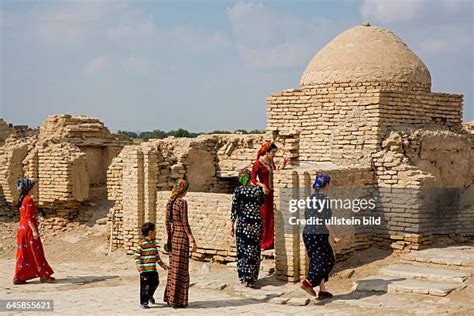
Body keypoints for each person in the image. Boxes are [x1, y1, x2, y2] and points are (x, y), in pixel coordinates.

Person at [300, 173, 341, 300]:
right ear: (326, 185)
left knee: (316, 261)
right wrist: (335, 236)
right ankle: (308, 283)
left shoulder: (311, 198)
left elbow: (307, 216)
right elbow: (326, 220)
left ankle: (323, 291)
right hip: (318, 234)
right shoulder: (325, 200)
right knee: (328, 260)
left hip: (308, 232)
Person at [13, 178, 55, 285]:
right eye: (33, 187)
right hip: (28, 230)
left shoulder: (22, 199)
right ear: (29, 188)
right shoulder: (29, 200)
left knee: (24, 253)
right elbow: (29, 217)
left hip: (21, 229)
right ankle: (44, 275)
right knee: (36, 251)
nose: (35, 189)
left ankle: (19, 277)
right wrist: (34, 231)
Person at [164, 179, 198, 308]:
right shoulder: (182, 203)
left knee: (173, 269)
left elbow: (167, 223)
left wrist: (169, 239)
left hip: (173, 237)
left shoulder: (169, 203)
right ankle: (179, 300)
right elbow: (185, 223)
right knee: (182, 269)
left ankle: (170, 298)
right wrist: (192, 239)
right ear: (184, 190)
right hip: (182, 238)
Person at [230, 168, 265, 288]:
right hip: (255, 224)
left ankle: (244, 276)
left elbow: (234, 209)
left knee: (243, 250)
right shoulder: (257, 190)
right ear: (250, 178)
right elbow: (261, 204)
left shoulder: (238, 191)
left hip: (243, 224)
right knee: (254, 250)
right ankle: (252, 277)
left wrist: (231, 225)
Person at [251, 141, 287, 250]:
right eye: (273, 152)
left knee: (271, 217)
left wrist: (283, 166)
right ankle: (262, 243)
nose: (274, 154)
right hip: (264, 194)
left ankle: (270, 242)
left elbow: (274, 173)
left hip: (272, 193)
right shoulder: (258, 163)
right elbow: (253, 179)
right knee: (264, 217)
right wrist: (262, 185)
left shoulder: (271, 162)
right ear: (267, 152)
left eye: (275, 152)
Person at [134, 222, 168, 309]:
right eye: (154, 230)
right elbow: (137, 257)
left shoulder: (153, 244)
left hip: (153, 269)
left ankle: (150, 295)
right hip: (144, 270)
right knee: (144, 287)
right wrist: (138, 266)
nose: (155, 232)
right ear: (150, 232)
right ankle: (144, 303)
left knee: (155, 283)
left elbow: (157, 257)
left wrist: (163, 265)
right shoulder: (141, 244)